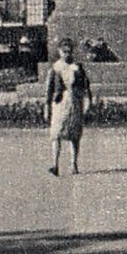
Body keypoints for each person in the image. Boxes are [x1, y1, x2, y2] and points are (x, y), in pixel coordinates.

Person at [44, 38, 90, 176]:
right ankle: (55, 164)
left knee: (74, 134)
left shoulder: (77, 67)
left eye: (69, 51)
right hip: (59, 103)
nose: (66, 54)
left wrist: (88, 102)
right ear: (59, 52)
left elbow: (86, 86)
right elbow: (49, 89)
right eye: (64, 51)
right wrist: (46, 107)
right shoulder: (55, 68)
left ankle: (73, 164)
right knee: (56, 134)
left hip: (75, 102)